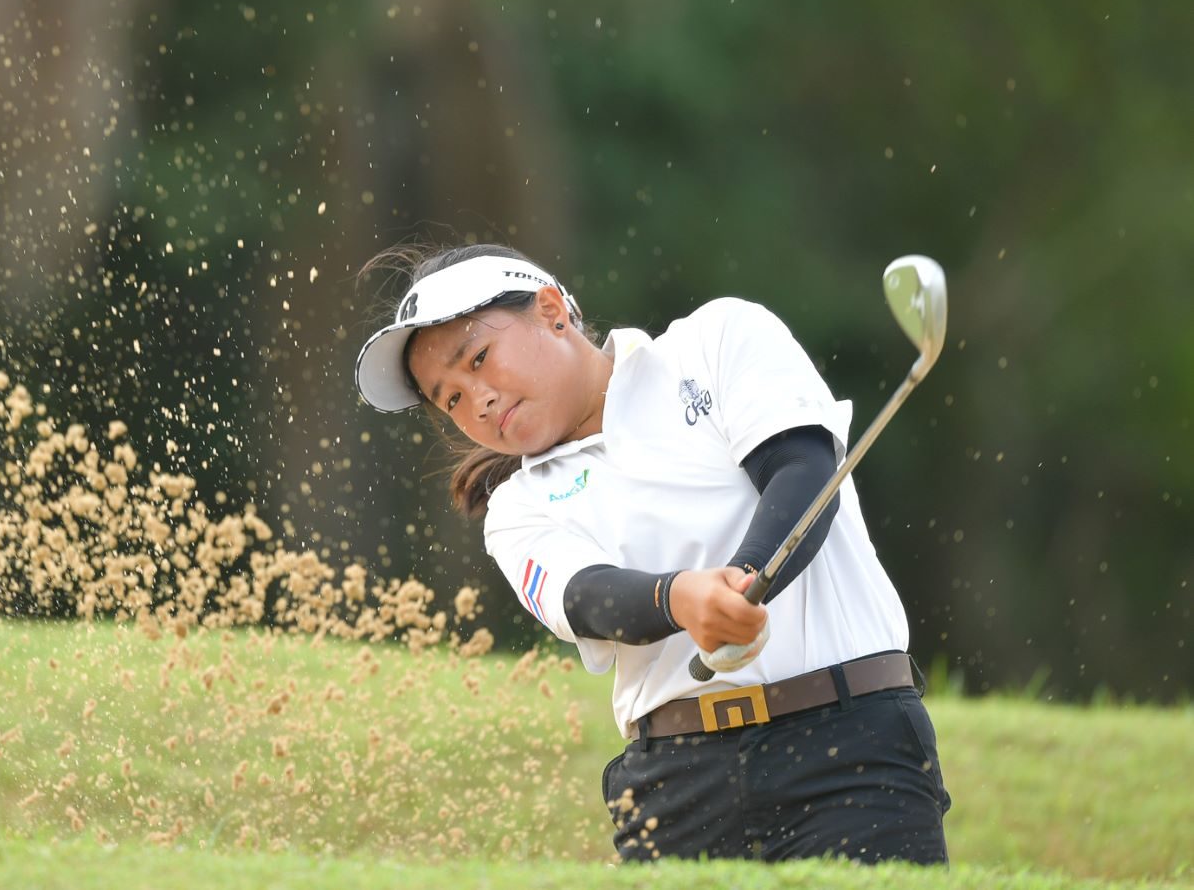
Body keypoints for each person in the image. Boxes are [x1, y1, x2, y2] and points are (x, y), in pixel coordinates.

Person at [355, 241, 952, 863]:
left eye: (479, 358)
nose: (475, 400)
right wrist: (682, 599)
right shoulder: (518, 508)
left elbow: (801, 469)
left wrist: (745, 579)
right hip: (676, 791)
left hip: (851, 754)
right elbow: (585, 597)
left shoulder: (717, 339)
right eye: (450, 399)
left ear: (552, 311)